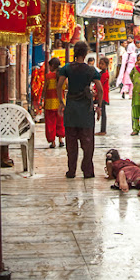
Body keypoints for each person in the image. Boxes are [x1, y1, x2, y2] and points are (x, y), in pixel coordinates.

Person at [57, 41, 103, 179]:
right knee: (88, 142)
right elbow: (99, 89)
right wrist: (99, 106)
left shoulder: (67, 68)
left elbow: (59, 86)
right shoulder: (91, 70)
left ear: (74, 52)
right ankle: (87, 170)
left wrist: (61, 102)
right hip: (86, 110)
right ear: (86, 53)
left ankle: (71, 171)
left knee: (71, 142)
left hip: (71, 108)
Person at [42, 57, 65, 149]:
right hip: (61, 103)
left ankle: (53, 142)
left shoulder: (48, 76)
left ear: (51, 66)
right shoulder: (63, 76)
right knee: (60, 122)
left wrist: (41, 100)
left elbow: (45, 89)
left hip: (50, 103)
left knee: (51, 123)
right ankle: (60, 140)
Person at [96, 57, 110, 136]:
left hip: (102, 96)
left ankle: (103, 130)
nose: (100, 65)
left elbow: (100, 85)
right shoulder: (101, 73)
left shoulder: (105, 74)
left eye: (102, 64)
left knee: (103, 112)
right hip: (99, 95)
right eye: (100, 63)